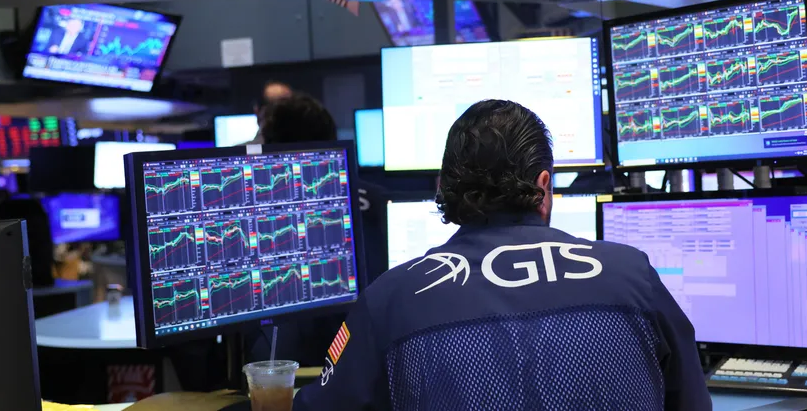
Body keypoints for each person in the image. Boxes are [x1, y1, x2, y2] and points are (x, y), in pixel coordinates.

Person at [295, 100, 711, 411]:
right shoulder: (633, 273)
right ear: (544, 185)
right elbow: (693, 401)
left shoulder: (390, 300)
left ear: (443, 187)